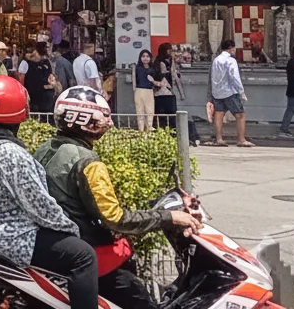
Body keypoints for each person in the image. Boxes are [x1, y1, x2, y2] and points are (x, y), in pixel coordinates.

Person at [36, 87, 202, 309]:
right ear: (85, 120)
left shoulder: (45, 149)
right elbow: (114, 218)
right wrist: (169, 217)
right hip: (87, 247)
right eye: (103, 117)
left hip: (53, 243)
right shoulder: (88, 163)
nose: (109, 123)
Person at [0, 77, 98, 309]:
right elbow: (40, 206)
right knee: (83, 255)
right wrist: (72, 229)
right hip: (12, 237)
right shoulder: (10, 152)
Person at [211, 39, 251, 147]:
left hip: (217, 91)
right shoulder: (231, 60)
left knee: (219, 114)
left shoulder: (216, 60)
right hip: (229, 91)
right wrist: (241, 91)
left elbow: (213, 76)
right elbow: (234, 77)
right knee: (240, 115)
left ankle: (219, 139)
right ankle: (241, 139)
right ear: (231, 48)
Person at [151, 43, 182, 130]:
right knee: (166, 114)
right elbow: (168, 74)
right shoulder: (161, 62)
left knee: (167, 114)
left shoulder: (167, 61)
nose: (171, 52)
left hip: (166, 91)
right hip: (163, 91)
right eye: (169, 50)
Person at [18, 45, 57, 115]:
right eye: (31, 56)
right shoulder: (25, 63)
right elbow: (21, 79)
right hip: (33, 95)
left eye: (35, 55)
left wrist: (51, 85)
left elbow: (51, 77)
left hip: (46, 95)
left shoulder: (46, 62)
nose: (34, 57)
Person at [132, 50, 156, 131]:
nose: (145, 58)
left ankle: (149, 129)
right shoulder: (137, 68)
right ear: (140, 58)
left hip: (149, 91)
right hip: (139, 90)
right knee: (140, 112)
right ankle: (141, 131)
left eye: (147, 56)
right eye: (143, 56)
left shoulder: (153, 69)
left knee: (150, 111)